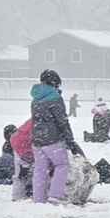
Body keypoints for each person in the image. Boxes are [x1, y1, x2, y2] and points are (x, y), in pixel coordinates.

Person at [30, 69, 83, 206]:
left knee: (40, 168)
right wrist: (70, 141)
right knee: (62, 164)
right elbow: (62, 121)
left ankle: (38, 198)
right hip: (52, 138)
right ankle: (56, 195)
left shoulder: (36, 99)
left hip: (36, 139)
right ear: (55, 83)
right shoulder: (55, 98)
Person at [9, 118, 34, 201]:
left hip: (19, 143)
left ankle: (18, 196)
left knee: (20, 174)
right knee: (22, 174)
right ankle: (18, 197)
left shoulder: (37, 118)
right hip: (24, 147)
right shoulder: (46, 122)